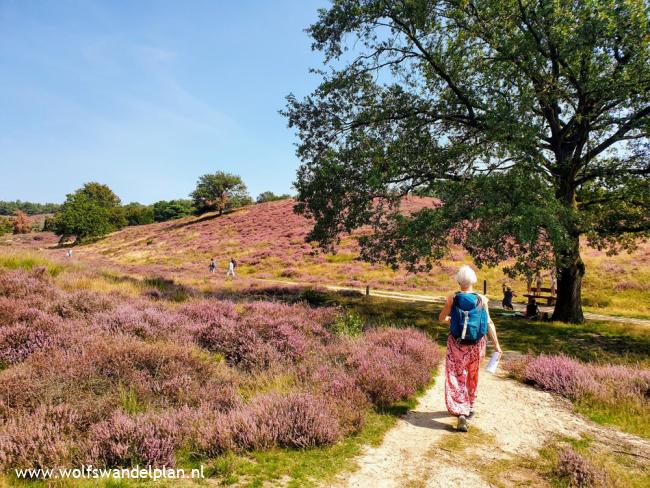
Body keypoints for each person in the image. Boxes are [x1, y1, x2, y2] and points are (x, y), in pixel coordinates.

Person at [439, 265, 502, 432]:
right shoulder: (482, 299)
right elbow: (488, 323)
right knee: (472, 375)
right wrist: (496, 345)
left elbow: (441, 318)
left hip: (456, 344)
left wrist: (452, 320)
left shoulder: (452, 297)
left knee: (456, 375)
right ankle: (470, 406)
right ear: (473, 280)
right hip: (477, 344)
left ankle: (460, 411)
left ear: (459, 280)